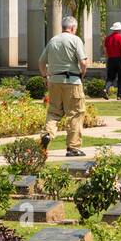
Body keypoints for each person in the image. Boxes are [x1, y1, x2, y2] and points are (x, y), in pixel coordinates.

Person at [38, 16, 90, 157]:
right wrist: (82, 74)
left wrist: (45, 77)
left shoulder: (53, 40)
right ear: (73, 28)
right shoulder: (75, 39)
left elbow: (41, 62)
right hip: (72, 81)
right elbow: (83, 62)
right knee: (75, 113)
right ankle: (73, 147)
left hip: (54, 81)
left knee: (54, 112)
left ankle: (47, 134)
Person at [103, 21, 121, 99]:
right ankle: (120, 95)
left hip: (111, 59)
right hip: (119, 59)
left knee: (110, 77)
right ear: (120, 29)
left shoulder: (108, 38)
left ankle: (105, 89)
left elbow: (105, 50)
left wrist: (107, 60)